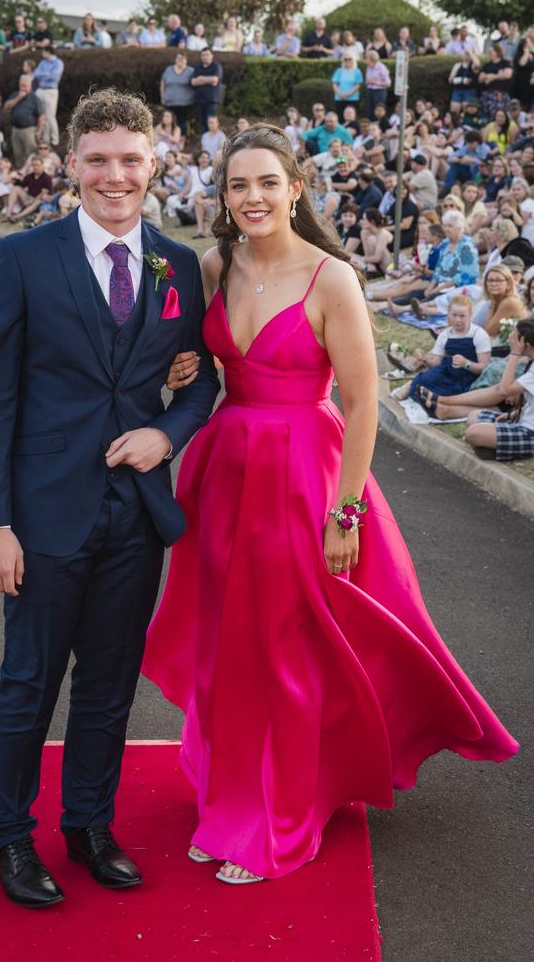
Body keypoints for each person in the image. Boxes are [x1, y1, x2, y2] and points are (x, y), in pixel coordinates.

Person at [142, 123, 518, 884]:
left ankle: (282, 818)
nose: (253, 197)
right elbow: (203, 366)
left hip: (302, 477)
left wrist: (345, 512)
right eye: (238, 185)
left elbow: (364, 400)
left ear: (296, 189)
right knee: (229, 643)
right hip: (224, 475)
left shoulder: (331, 277)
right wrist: (187, 363)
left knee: (284, 646)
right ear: (224, 195)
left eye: (267, 183)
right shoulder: (215, 265)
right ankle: (231, 798)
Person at [0, 87, 219, 908]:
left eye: (131, 161)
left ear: (155, 165)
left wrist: (168, 433)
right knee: (29, 681)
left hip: (136, 511)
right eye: (100, 160)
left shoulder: (175, 264)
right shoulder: (23, 258)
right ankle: (8, 839)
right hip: (42, 512)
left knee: (110, 682)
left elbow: (197, 380)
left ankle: (88, 824)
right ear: (72, 163)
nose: (117, 176)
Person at [465, 320, 534, 460]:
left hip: (530, 432)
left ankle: (498, 447)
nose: (510, 338)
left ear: (525, 345)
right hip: (522, 420)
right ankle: (499, 447)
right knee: (473, 416)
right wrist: (512, 414)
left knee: (473, 433)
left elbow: (504, 390)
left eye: (515, 336)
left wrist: (515, 354)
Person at [4, 75, 46, 169]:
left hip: (29, 130)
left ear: (30, 86)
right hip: (16, 130)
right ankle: (21, 174)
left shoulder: (34, 98)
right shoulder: (15, 94)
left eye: (25, 86)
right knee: (18, 153)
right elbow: (6, 106)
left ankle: (30, 173)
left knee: (30, 153)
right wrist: (18, 98)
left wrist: (39, 131)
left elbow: (41, 116)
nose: (23, 88)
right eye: (21, 85)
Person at [32, 44, 64, 147]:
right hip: (40, 90)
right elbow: (35, 74)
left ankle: (55, 140)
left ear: (48, 52)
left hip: (51, 91)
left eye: (43, 51)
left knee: (50, 116)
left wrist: (43, 74)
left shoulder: (58, 63)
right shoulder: (42, 62)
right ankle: (46, 140)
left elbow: (54, 76)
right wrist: (46, 74)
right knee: (42, 116)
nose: (42, 54)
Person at [160, 52, 195, 136]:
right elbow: (163, 83)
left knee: (182, 123)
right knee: (168, 122)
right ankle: (169, 141)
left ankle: (181, 141)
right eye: (178, 58)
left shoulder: (190, 71)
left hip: (185, 103)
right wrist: (162, 97)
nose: (180, 60)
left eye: (182, 59)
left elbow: (195, 84)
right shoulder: (168, 69)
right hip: (169, 102)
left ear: (186, 60)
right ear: (175, 59)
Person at [191, 48, 223, 134]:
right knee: (203, 124)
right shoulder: (198, 67)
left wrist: (200, 78)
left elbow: (215, 80)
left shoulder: (216, 66)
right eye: (203, 55)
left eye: (207, 55)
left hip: (212, 100)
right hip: (200, 100)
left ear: (212, 56)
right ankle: (205, 145)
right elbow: (193, 82)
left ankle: (215, 145)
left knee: (212, 123)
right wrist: (208, 80)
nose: (205, 57)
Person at [478, 45, 513, 121]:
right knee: (487, 115)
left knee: (503, 115)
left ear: (497, 52)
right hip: (488, 94)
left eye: (491, 51)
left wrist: (491, 76)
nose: (489, 53)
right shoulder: (487, 65)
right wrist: (499, 74)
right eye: (489, 51)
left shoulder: (505, 63)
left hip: (502, 94)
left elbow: (507, 75)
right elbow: (480, 79)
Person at [331, 54, 364, 119]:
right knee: (340, 117)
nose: (347, 61)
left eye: (349, 59)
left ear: (353, 60)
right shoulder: (339, 71)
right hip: (339, 98)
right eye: (345, 59)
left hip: (352, 99)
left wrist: (347, 95)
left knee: (351, 118)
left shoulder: (357, 71)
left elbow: (358, 85)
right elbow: (334, 84)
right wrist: (340, 94)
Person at [364, 50, 391, 118]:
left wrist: (376, 82)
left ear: (373, 59)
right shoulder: (368, 67)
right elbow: (368, 80)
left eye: (367, 59)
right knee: (369, 111)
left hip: (379, 92)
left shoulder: (381, 67)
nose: (366, 61)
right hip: (370, 90)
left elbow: (388, 83)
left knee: (378, 112)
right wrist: (367, 82)